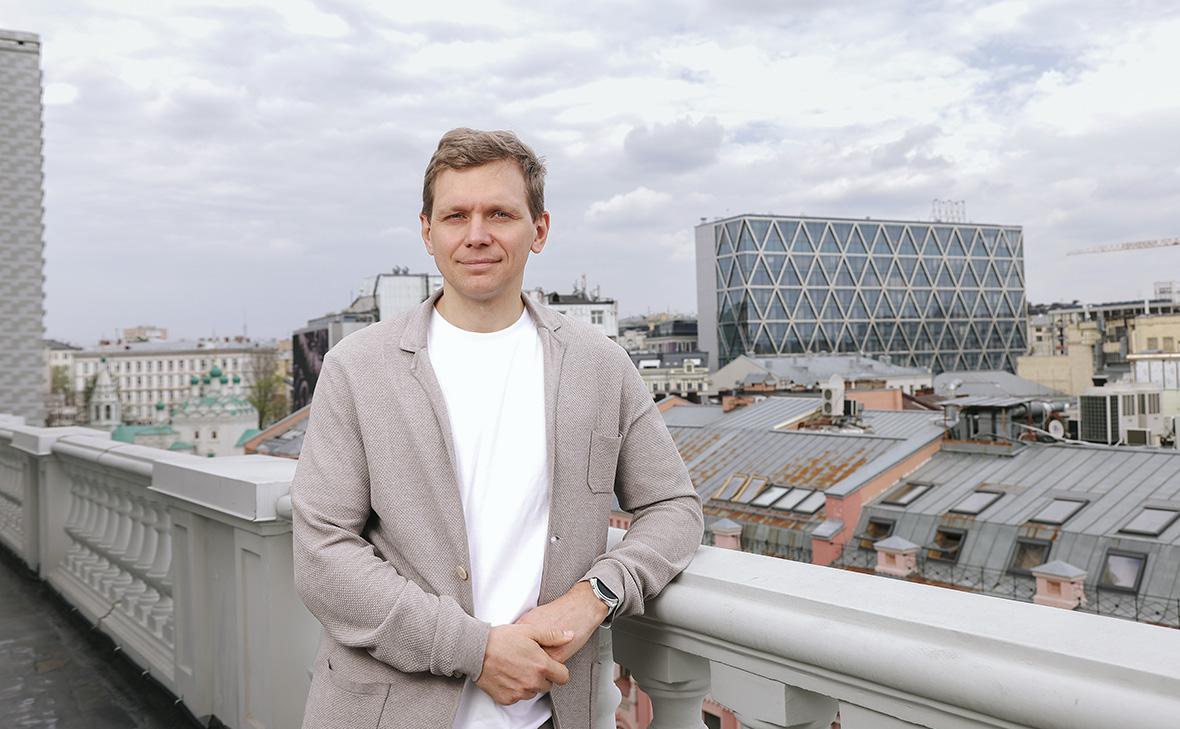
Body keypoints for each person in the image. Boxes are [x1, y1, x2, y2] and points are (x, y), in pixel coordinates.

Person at [291, 127, 703, 729]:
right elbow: (322, 556)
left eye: (500, 214)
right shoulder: (357, 369)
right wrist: (475, 651)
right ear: (427, 232)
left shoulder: (600, 365)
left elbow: (674, 507)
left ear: (540, 230)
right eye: (455, 215)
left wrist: (597, 595)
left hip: (553, 716)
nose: (477, 234)